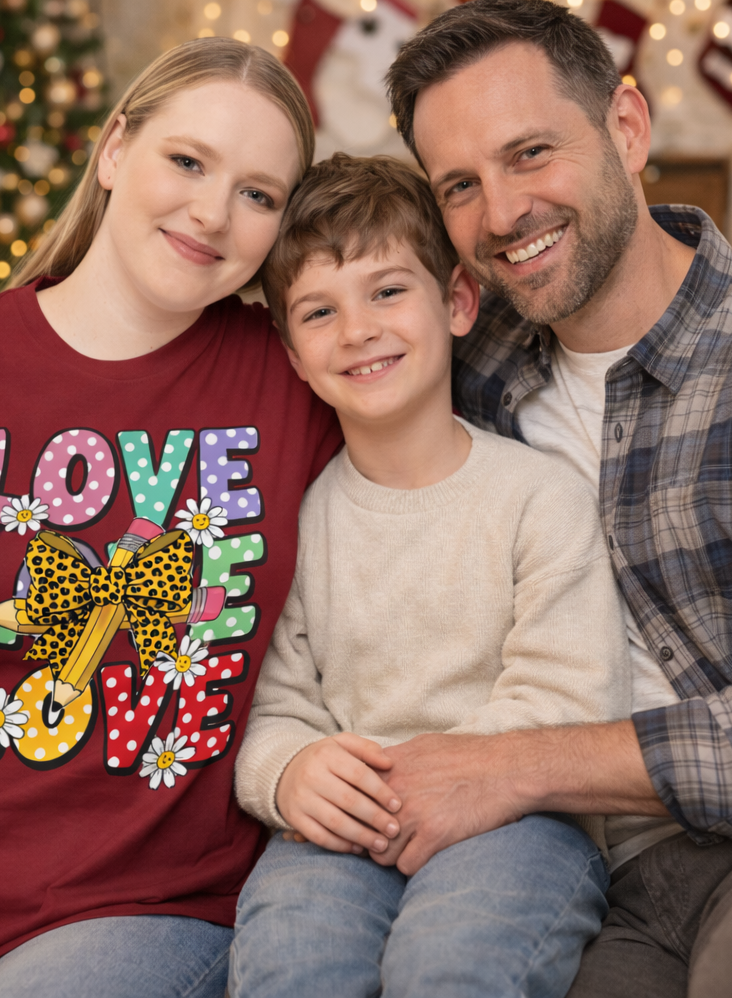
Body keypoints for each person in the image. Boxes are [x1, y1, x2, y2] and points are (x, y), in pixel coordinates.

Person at [0, 38, 342, 998]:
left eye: (260, 194)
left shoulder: (305, 379)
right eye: (188, 161)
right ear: (113, 151)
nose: (213, 213)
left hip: (141, 916)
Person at [375, 0, 732, 998]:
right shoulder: (460, 366)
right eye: (459, 185)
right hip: (573, 872)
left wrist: (516, 764)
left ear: (626, 127)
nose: (501, 216)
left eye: (530, 152)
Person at [229, 153, 631, 998]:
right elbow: (274, 710)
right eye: (318, 311)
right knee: (292, 966)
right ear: (292, 351)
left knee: (450, 968)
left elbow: (572, 699)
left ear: (455, 301)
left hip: (523, 820)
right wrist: (292, 773)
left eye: (387, 291)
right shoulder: (297, 522)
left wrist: (441, 780)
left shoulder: (536, 497)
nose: (358, 330)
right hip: (349, 828)